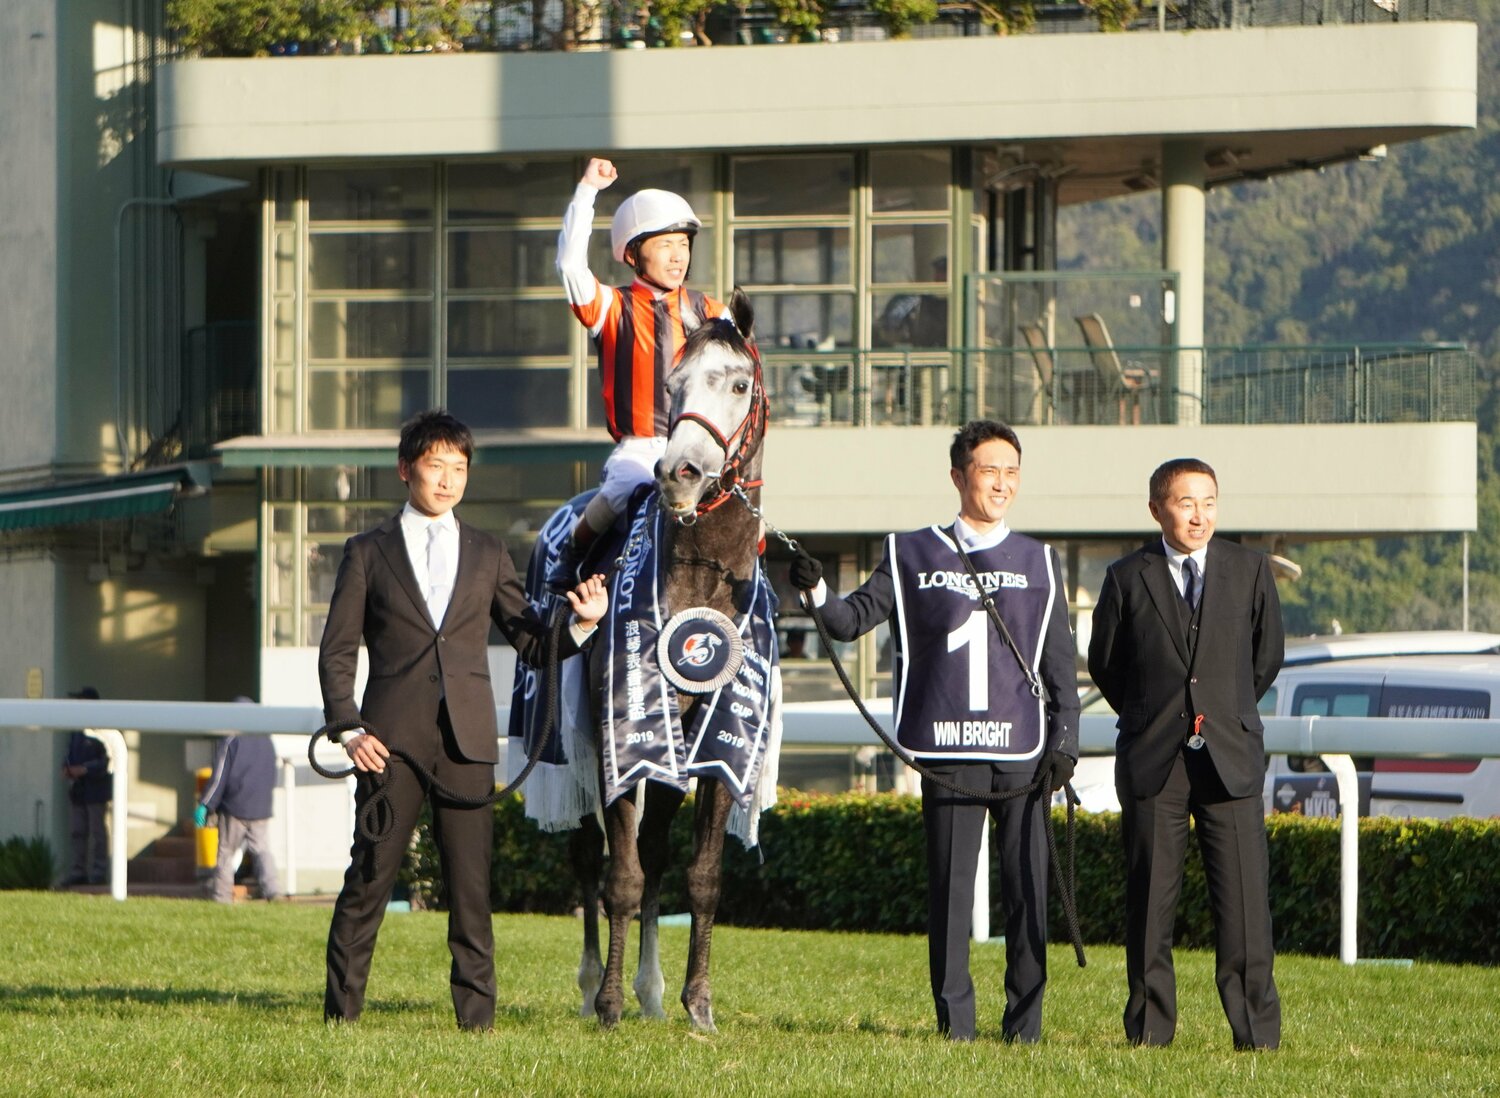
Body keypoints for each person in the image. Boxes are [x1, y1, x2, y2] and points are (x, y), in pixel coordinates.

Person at [789, 420, 1078, 1043]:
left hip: (1023, 751)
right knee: (949, 895)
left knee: (1028, 891)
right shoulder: (909, 551)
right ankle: (957, 1026)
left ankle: (1024, 1029)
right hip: (944, 749)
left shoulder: (1040, 561)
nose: (1001, 483)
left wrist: (1066, 742)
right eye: (987, 470)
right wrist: (814, 587)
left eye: (1011, 471)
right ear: (957, 476)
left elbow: (1059, 668)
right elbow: (848, 622)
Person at [319, 409, 608, 1031]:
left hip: (469, 745)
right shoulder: (366, 552)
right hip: (387, 745)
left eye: (459, 468)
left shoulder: (487, 551)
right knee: (368, 881)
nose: (447, 480)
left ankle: (476, 1025)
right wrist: (348, 728)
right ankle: (341, 1020)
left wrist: (581, 622)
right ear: (406, 470)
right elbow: (338, 650)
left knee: (471, 892)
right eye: (435, 466)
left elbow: (532, 641)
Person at [1087, 457, 1284, 1051]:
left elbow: (1264, 658)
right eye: (1184, 503)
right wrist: (1152, 716)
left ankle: (1255, 1033)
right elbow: (1106, 663)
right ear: (1156, 510)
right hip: (1154, 759)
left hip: (1230, 755)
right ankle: (1149, 1030)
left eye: (1208, 503)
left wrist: (1224, 711)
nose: (1198, 516)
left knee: (1246, 906)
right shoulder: (1127, 576)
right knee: (1150, 901)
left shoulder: (1250, 571)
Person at [555, 156, 730, 572]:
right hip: (641, 448)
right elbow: (568, 266)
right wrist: (587, 192)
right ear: (633, 254)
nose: (677, 256)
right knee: (622, 488)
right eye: (665, 244)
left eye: (683, 244)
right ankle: (568, 563)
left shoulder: (714, 313)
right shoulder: (611, 307)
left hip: (703, 447)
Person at [195, 705, 281, 904]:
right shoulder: (266, 740)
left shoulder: (232, 740)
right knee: (262, 850)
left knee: (226, 852)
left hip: (235, 807)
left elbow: (219, 776)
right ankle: (273, 891)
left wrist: (206, 804)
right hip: (261, 807)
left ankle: (222, 897)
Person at [60, 686, 110, 887]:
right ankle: (78, 871)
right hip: (78, 789)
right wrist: (66, 767)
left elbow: (108, 759)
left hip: (96, 790)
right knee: (77, 831)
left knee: (97, 832)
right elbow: (69, 752)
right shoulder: (77, 729)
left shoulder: (103, 729)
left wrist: (86, 769)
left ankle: (99, 872)